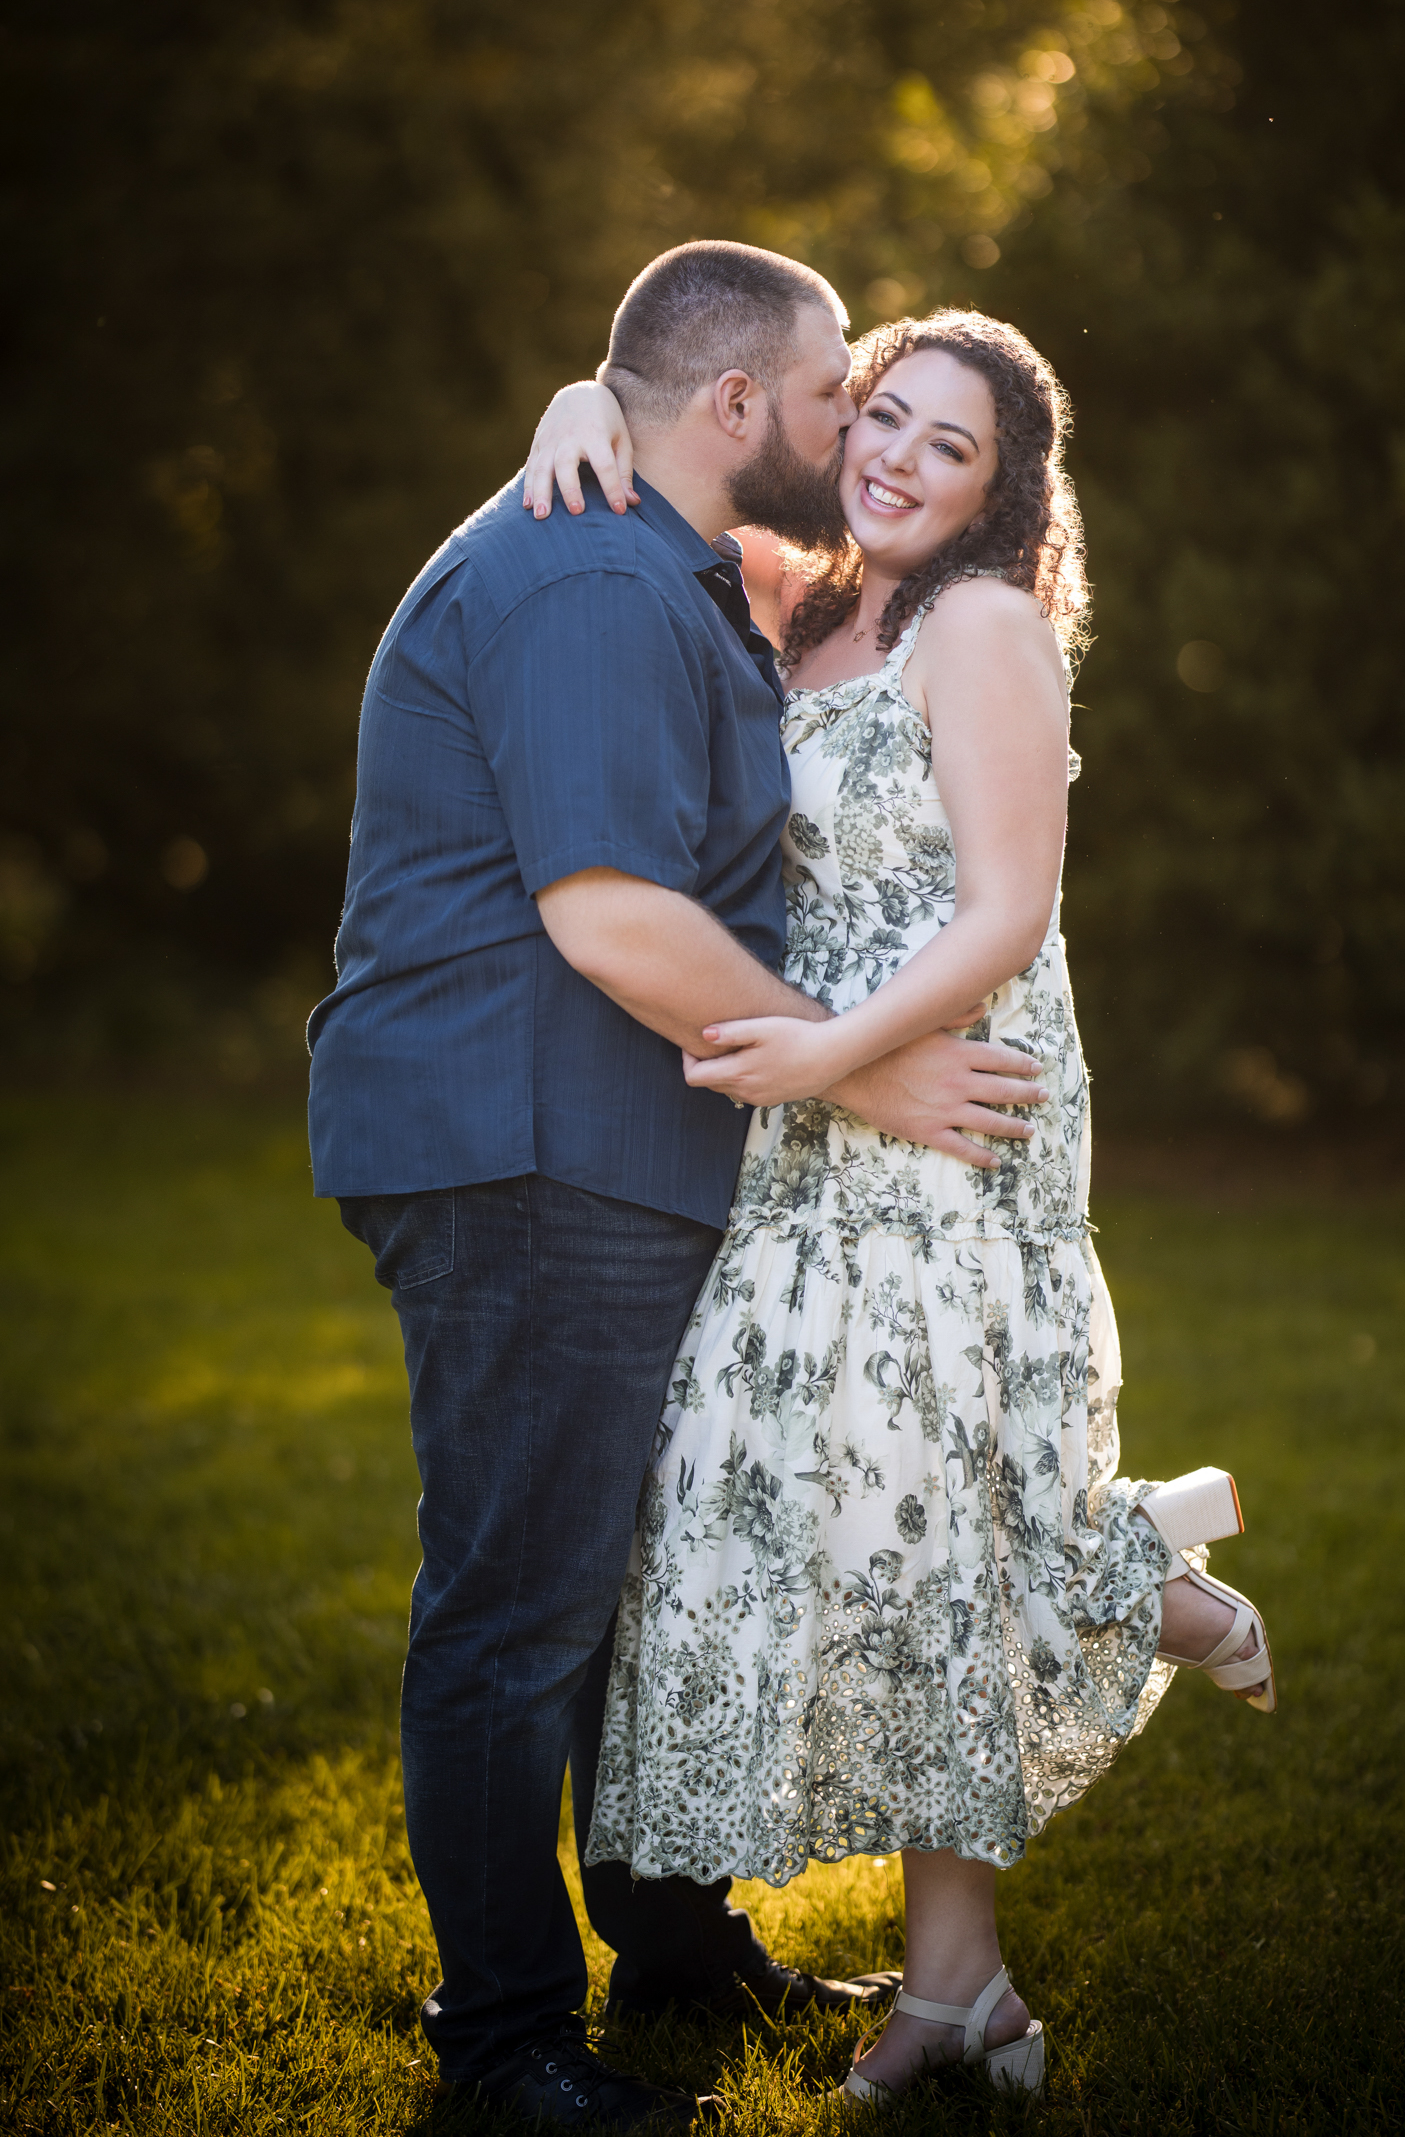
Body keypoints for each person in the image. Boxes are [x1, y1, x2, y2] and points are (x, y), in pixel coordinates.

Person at [307, 243, 1056, 2132]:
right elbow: (615, 914)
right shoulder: (583, 572)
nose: (852, 430)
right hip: (524, 1144)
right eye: (835, 397)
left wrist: (588, 405)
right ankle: (505, 2047)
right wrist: (874, 1069)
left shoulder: (672, 558)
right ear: (739, 410)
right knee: (518, 1607)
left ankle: (670, 1936)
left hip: (615, 1142)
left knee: (624, 1578)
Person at [523, 306, 1274, 2109]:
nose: (904, 459)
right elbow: (652, 441)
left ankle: (1100, 1641)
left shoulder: (986, 628)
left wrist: (833, 1057)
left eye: (955, 449)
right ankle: (1103, 1623)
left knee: (929, 1496)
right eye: (891, 419)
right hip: (825, 1105)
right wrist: (565, 401)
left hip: (955, 1104)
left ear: (1008, 497)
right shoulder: (804, 596)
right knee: (826, 1489)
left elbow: (1008, 911)